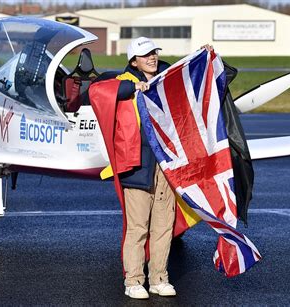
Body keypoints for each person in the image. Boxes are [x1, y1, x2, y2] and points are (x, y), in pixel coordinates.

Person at [114, 37, 176, 300]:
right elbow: (97, 91)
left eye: (154, 53)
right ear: (133, 61)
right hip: (137, 165)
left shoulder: (168, 76)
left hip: (167, 164)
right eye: (145, 54)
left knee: (164, 226)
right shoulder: (121, 82)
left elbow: (197, 79)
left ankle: (159, 278)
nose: (152, 57)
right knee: (138, 227)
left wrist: (204, 56)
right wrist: (132, 87)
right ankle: (134, 280)